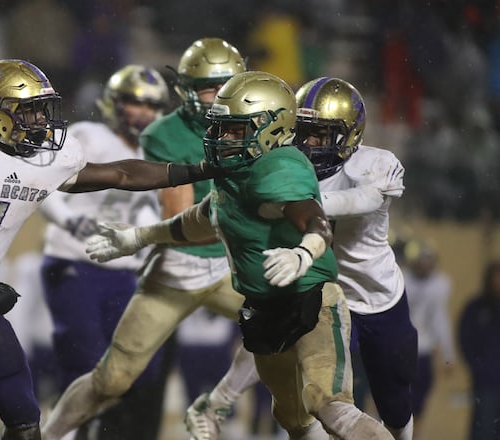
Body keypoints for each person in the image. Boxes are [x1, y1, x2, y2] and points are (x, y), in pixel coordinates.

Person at [0, 58, 220, 440]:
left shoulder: (48, 159)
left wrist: (196, 170)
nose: (42, 120)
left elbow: (124, 173)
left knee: (26, 421)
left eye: (42, 109)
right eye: (28, 110)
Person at [82, 71, 395, 439]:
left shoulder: (278, 166)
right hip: (264, 309)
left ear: (273, 129)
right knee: (293, 418)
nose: (218, 138)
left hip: (310, 300)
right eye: (218, 128)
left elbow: (316, 222)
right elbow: (199, 221)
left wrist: (302, 254)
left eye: (234, 130)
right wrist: (136, 237)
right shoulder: (233, 173)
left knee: (328, 404)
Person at [40, 37, 257, 440]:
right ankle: (49, 434)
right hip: (176, 265)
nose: (217, 97)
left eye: (225, 85)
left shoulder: (260, 123)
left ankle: (216, 405)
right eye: (207, 87)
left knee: (291, 326)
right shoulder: (159, 135)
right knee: (109, 379)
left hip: (225, 265)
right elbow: (181, 220)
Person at [184, 77, 418, 440]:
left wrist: (295, 204)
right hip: (318, 288)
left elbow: (366, 200)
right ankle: (216, 401)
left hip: (376, 298)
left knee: (395, 402)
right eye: (302, 131)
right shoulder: (281, 166)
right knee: (285, 356)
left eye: (320, 135)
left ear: (349, 138)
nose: (308, 144)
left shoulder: (373, 164)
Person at [39, 64, 171, 439]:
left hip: (121, 271)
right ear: (114, 103)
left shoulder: (151, 148)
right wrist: (68, 221)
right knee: (83, 362)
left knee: (128, 368)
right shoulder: (88, 135)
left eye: (152, 105)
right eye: (135, 102)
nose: (143, 112)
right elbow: (44, 185)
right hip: (74, 261)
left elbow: (145, 206)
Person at [403, 240, 456, 424]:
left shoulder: (439, 285)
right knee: (395, 405)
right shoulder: (401, 279)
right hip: (400, 350)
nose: (423, 265)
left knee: (417, 407)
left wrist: (449, 355)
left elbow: (440, 321)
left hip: (423, 352)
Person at [459, 261, 500, 440]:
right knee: (484, 429)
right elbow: (465, 338)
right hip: (486, 382)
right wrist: (478, 366)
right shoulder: (476, 308)